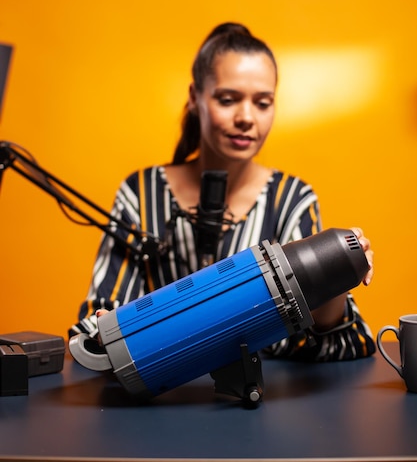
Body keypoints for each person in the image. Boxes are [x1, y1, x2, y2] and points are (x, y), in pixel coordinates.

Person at [70, 22, 375, 361]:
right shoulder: (141, 194)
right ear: (194, 98)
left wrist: (337, 272)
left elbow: (329, 339)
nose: (246, 117)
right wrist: (108, 333)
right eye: (228, 100)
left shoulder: (292, 199)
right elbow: (99, 325)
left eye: (263, 103)